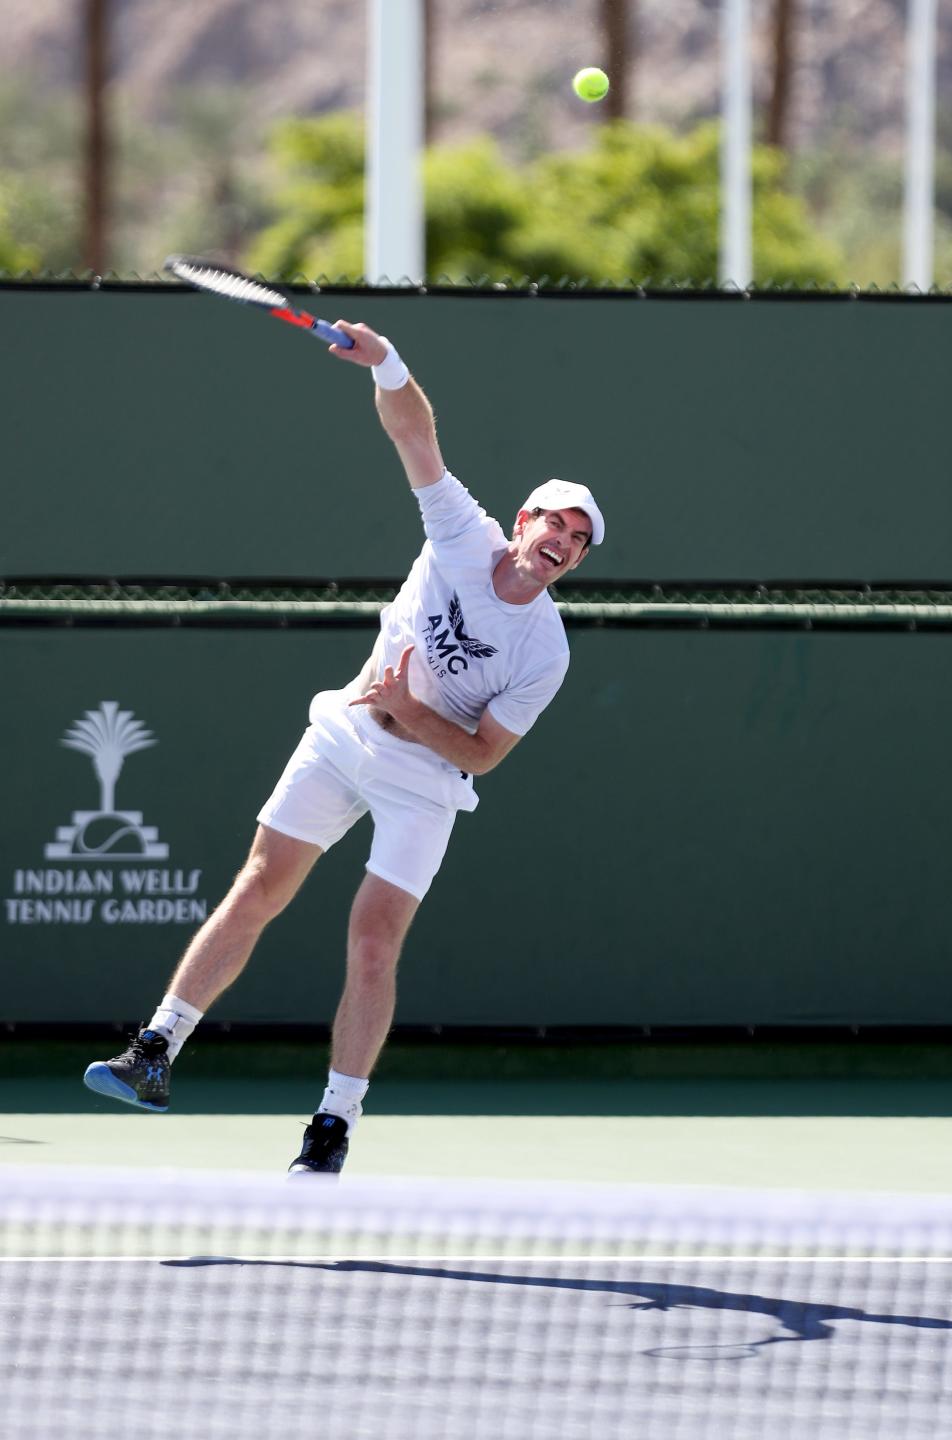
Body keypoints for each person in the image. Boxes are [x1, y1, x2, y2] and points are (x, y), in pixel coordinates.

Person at [83, 320, 605, 1174]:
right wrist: (390, 363)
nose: (565, 543)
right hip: (344, 734)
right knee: (259, 884)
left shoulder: (546, 650)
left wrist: (409, 709)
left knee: (372, 941)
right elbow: (413, 429)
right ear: (524, 520)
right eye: (557, 523)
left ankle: (332, 1126)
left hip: (426, 783)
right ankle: (154, 1051)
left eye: (580, 541)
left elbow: (481, 756)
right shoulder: (459, 534)